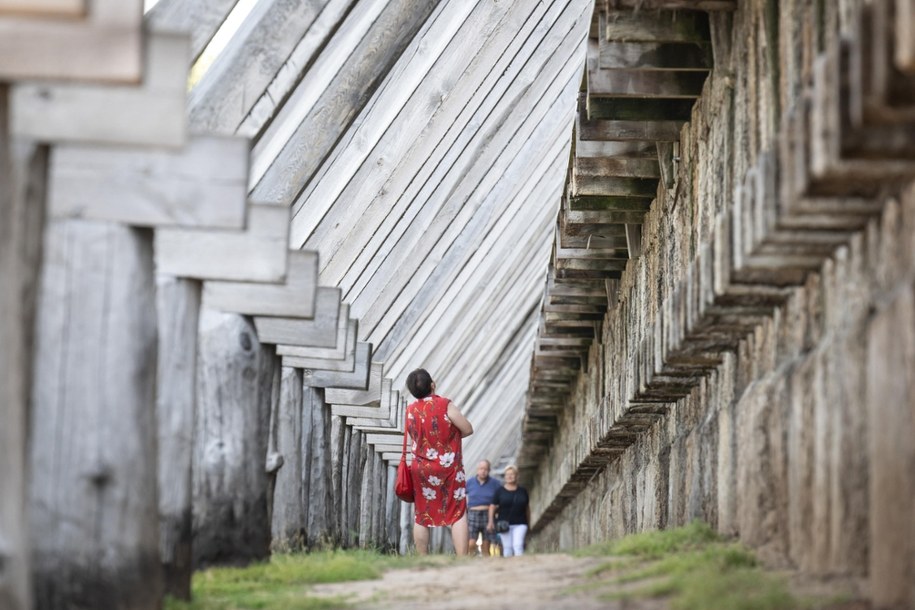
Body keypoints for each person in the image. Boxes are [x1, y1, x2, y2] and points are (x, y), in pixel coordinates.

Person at [404, 368, 473, 555]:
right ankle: (461, 558)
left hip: (421, 469)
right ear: (432, 384)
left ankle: (422, 557)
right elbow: (467, 429)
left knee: (421, 514)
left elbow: (413, 438)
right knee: (457, 511)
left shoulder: (410, 411)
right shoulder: (445, 405)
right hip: (448, 467)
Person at [487, 465, 530, 557]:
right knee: (508, 548)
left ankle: (520, 566)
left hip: (521, 523)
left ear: (517, 476)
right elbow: (492, 506)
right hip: (504, 524)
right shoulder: (499, 491)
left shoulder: (523, 491)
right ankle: (509, 569)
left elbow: (527, 508)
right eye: (507, 475)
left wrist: (528, 523)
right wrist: (491, 521)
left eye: (512, 474)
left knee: (518, 546)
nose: (509, 476)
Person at [465, 459, 502, 556]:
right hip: (472, 515)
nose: (483, 471)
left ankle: (485, 566)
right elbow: (460, 496)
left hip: (488, 515)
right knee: (471, 543)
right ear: (477, 470)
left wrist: (496, 512)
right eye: (481, 468)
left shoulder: (496, 483)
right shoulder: (469, 482)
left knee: (486, 545)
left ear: (489, 470)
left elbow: (501, 499)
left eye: (486, 469)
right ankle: (470, 559)